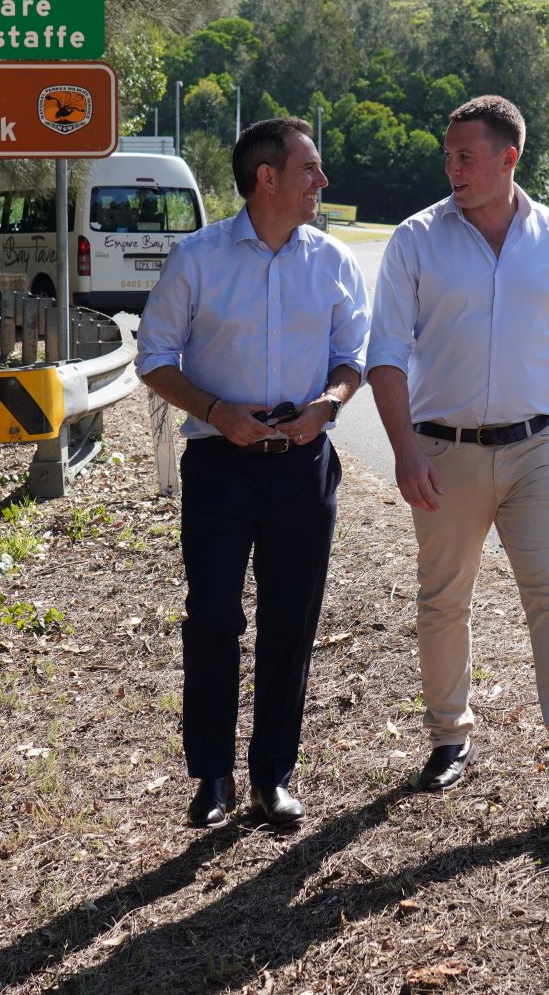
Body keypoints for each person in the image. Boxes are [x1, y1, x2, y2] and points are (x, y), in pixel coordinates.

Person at [367, 94, 549, 805]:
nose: (451, 168)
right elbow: (385, 354)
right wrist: (403, 449)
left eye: (466, 156)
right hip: (442, 449)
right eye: (448, 155)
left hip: (539, 446)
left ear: (509, 158)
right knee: (444, 598)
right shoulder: (416, 240)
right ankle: (449, 736)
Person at [136, 117, 369, 829]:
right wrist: (217, 410)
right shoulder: (198, 259)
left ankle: (272, 776)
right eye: (310, 169)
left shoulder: (332, 260)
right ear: (267, 177)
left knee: (290, 622)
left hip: (304, 465)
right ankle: (212, 776)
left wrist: (326, 408)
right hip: (218, 463)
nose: (321, 183)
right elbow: (154, 357)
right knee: (212, 616)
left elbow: (352, 354)